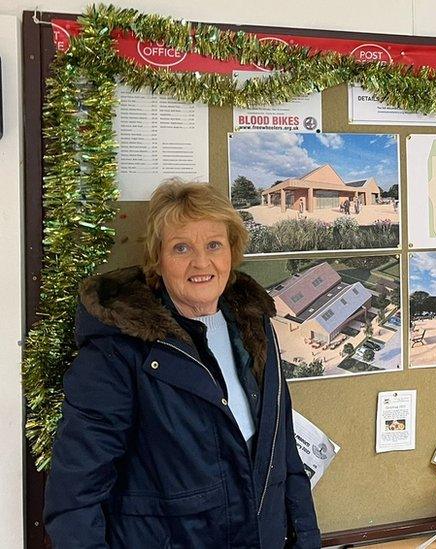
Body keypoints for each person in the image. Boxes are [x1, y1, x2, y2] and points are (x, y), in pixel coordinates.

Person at [44, 182, 321, 548]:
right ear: (158, 260)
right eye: (181, 247)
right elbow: (75, 491)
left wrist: (306, 539)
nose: (201, 262)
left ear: (232, 251)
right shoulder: (120, 350)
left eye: (214, 245)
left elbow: (283, 453)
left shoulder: (255, 326)